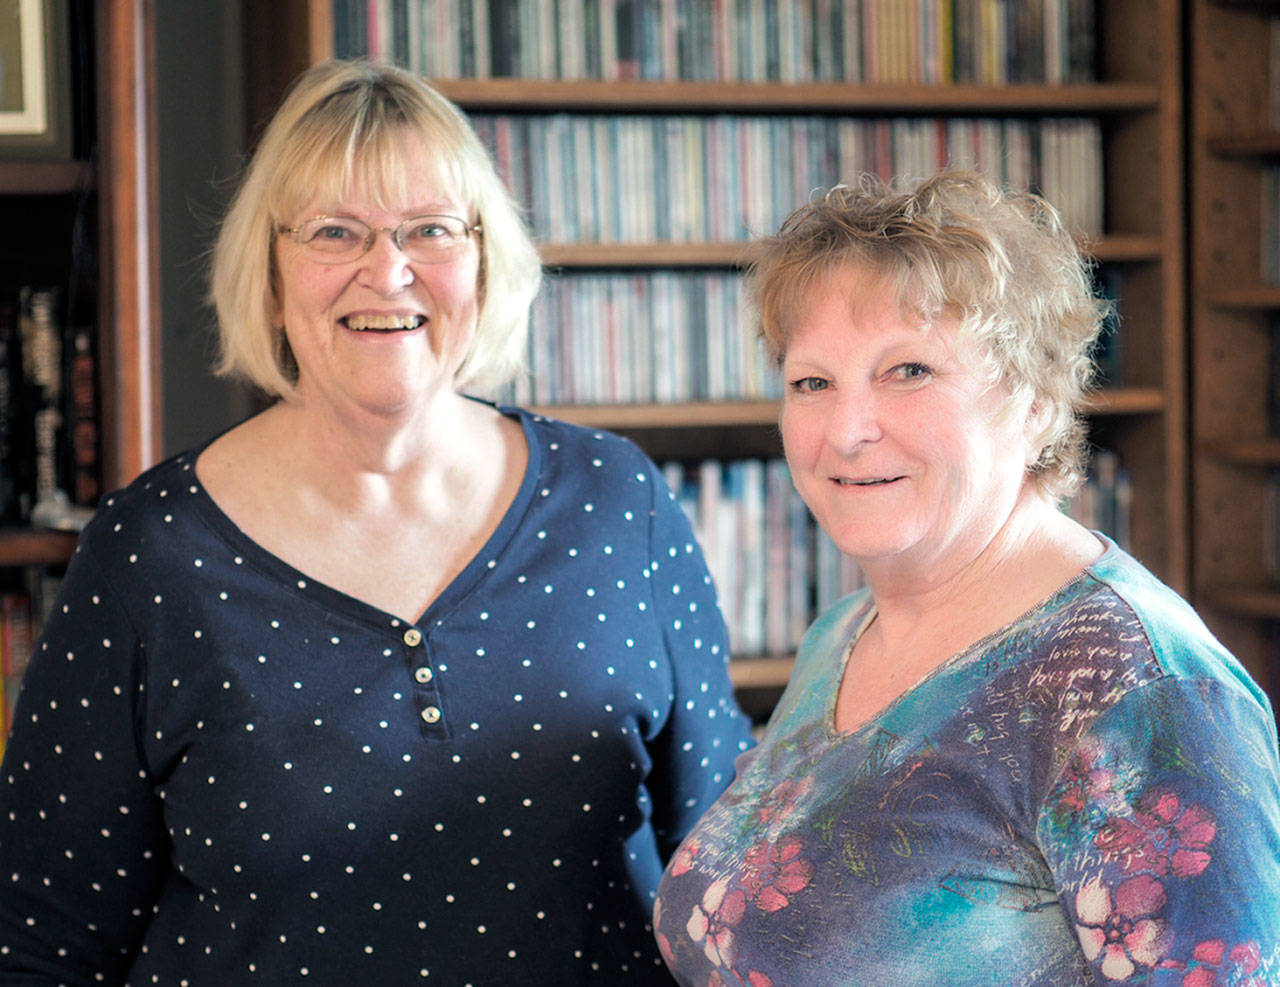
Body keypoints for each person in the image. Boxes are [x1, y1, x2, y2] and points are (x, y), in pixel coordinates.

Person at [0, 59, 752, 984]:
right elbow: (41, 939)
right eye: (334, 231)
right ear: (271, 276)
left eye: (430, 228)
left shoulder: (616, 500)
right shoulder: (149, 553)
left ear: (483, 257)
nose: (387, 270)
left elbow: (731, 872)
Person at [654, 171, 1280, 985]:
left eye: (908, 370)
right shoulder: (842, 635)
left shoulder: (1144, 693)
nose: (846, 430)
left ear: (1034, 404)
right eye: (813, 382)